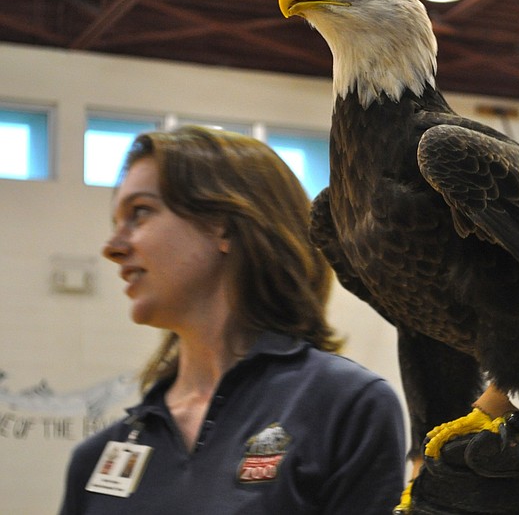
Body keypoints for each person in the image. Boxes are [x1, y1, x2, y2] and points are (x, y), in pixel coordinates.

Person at [59, 126, 406, 514]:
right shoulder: (96, 458)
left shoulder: (346, 406)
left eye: (140, 213)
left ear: (223, 224)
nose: (113, 247)